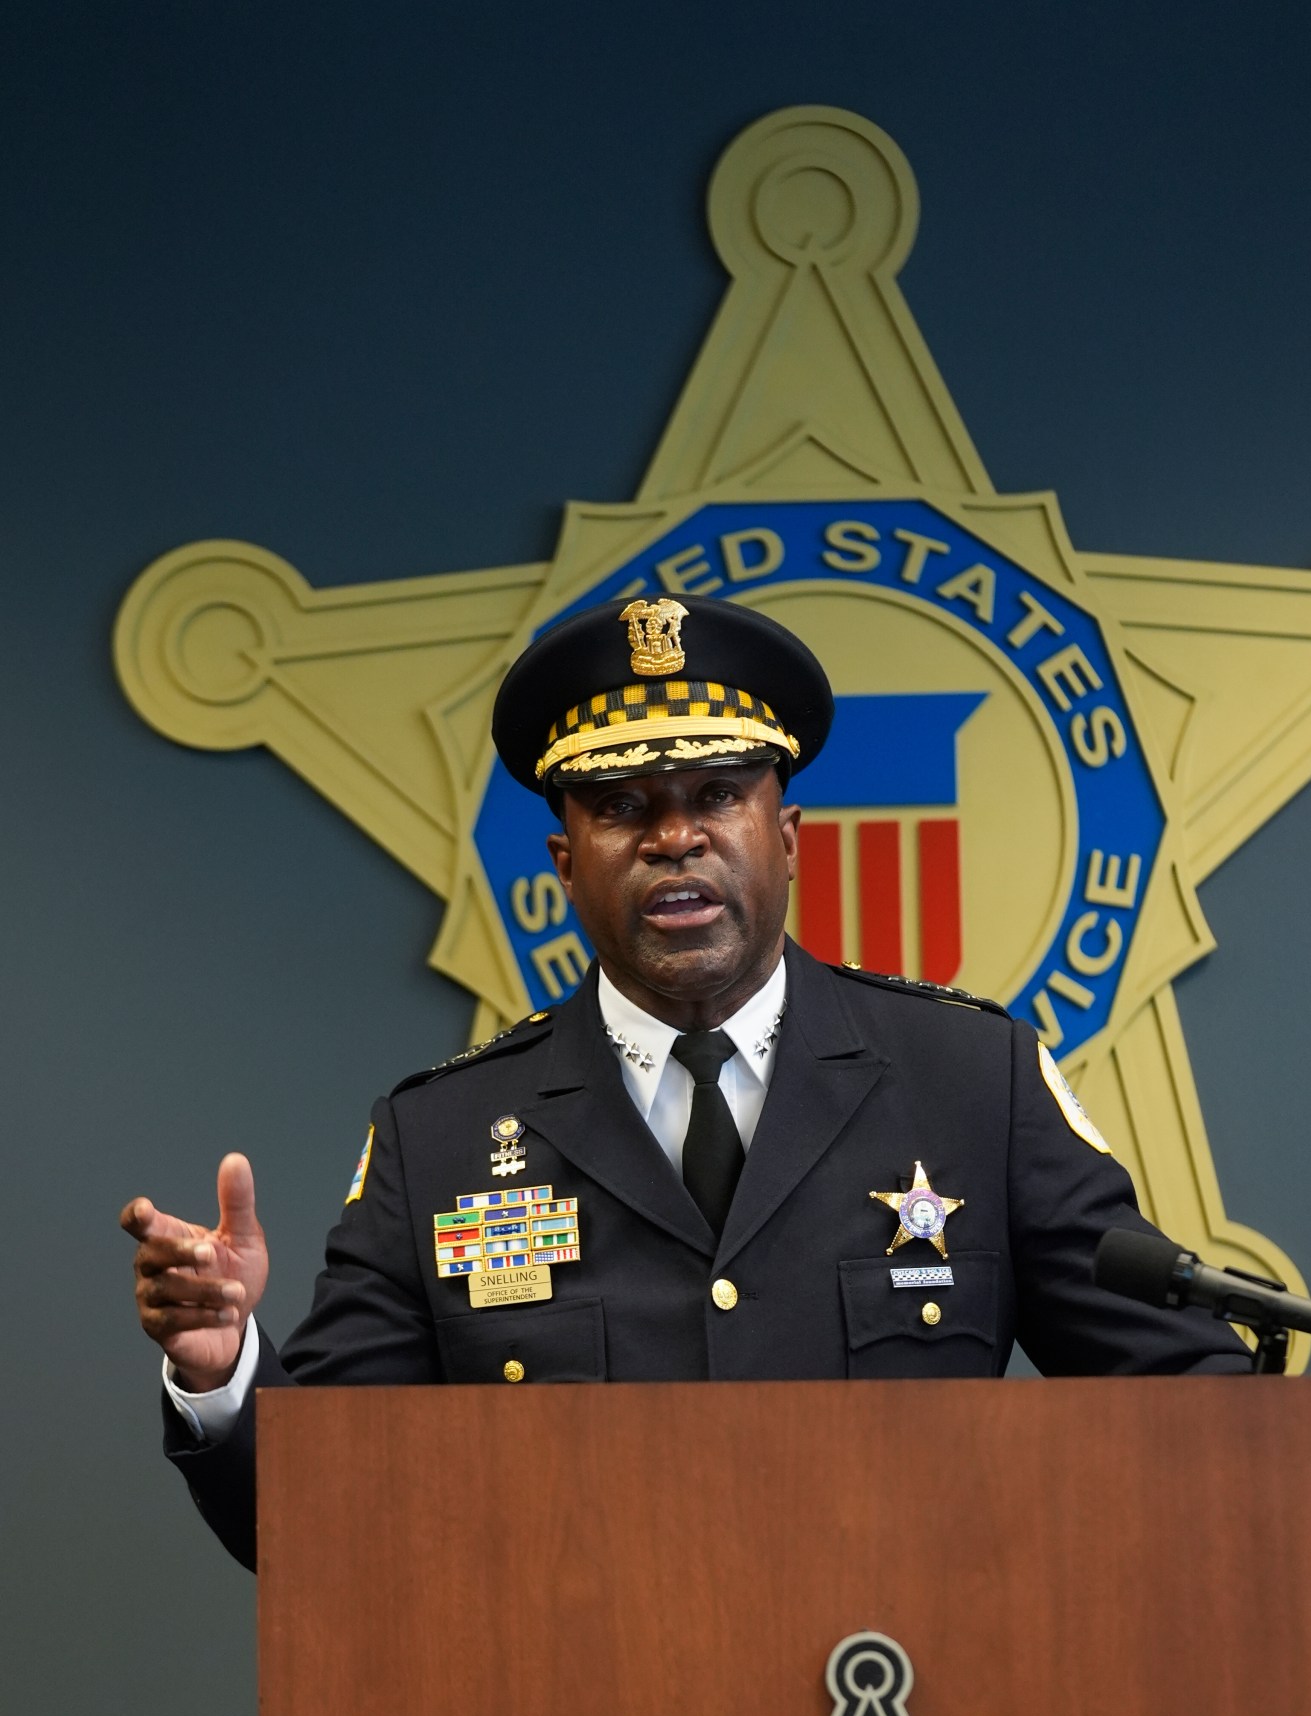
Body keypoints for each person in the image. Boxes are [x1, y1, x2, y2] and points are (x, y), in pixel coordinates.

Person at [122, 594, 1248, 1568]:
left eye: (715, 795)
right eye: (620, 807)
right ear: (564, 861)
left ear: (788, 833)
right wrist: (224, 1374)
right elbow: (322, 1519)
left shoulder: (969, 1079)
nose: (674, 839)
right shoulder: (444, 1137)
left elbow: (1193, 1410)